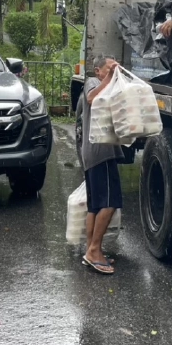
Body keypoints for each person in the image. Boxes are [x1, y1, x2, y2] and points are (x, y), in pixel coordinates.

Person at [77, 55, 124, 275]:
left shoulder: (108, 85)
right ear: (98, 70)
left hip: (94, 152)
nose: (114, 71)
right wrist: (110, 77)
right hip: (100, 152)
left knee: (95, 206)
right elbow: (91, 98)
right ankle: (94, 251)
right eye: (110, 68)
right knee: (110, 202)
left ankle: (91, 250)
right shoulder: (93, 82)